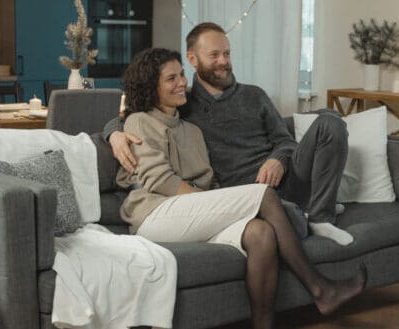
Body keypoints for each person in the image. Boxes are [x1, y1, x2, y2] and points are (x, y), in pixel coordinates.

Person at [118, 47, 365, 329]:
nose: (182, 83)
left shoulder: (191, 130)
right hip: (155, 214)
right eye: (170, 78)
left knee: (261, 233)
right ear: (151, 86)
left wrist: (214, 206)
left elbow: (210, 181)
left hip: (191, 213)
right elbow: (160, 180)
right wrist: (212, 204)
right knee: (263, 195)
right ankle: (321, 289)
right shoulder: (139, 121)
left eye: (181, 76)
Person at [106, 22, 354, 246]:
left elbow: (285, 141)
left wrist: (277, 158)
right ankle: (303, 213)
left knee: (330, 122)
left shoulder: (255, 95)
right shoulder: (183, 102)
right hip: (241, 196)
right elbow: (138, 117)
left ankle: (320, 217)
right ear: (193, 58)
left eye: (226, 53)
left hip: (286, 181)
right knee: (287, 220)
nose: (223, 61)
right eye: (214, 55)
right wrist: (114, 134)